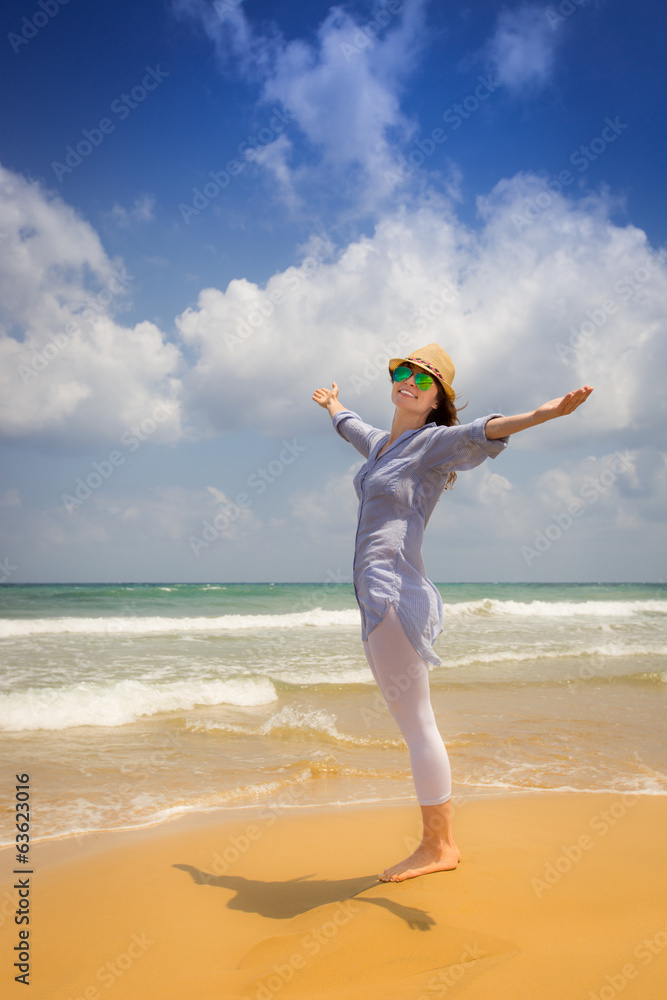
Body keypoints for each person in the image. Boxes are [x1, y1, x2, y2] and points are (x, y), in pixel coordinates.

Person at [312, 343, 593, 882]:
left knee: (418, 726)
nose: (410, 381)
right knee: (413, 724)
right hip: (372, 597)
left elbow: (484, 430)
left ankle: (439, 846)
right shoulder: (380, 446)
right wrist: (332, 406)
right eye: (403, 371)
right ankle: (437, 843)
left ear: (438, 397)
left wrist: (546, 414)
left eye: (425, 379)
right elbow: (352, 427)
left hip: (393, 592)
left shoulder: (433, 444)